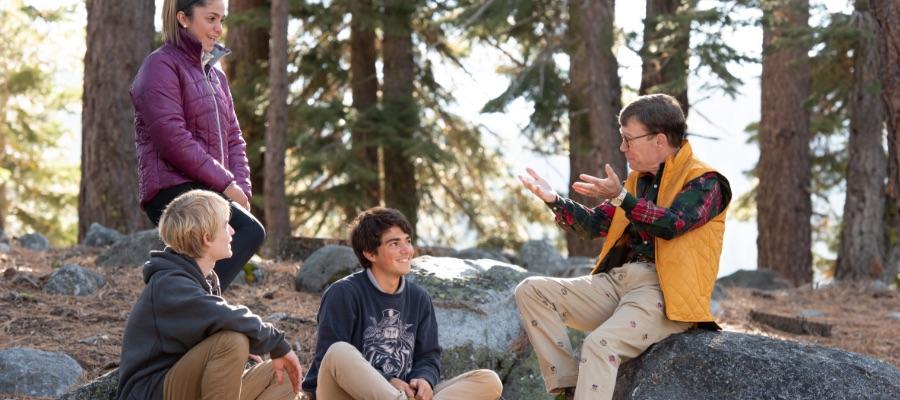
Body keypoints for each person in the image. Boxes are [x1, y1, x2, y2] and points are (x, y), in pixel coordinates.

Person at [515, 94, 731, 400]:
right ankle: (568, 389)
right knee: (531, 290)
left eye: (628, 139)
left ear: (658, 140)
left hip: (664, 294)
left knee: (599, 344)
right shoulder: (635, 183)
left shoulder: (706, 181)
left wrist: (622, 198)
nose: (622, 147)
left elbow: (672, 224)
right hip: (618, 283)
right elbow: (594, 225)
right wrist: (555, 201)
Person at [116, 190, 302, 400]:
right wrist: (276, 343)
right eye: (225, 225)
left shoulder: (202, 280)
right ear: (206, 238)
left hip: (181, 386)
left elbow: (205, 325)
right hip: (153, 393)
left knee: (284, 372)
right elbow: (226, 317)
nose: (232, 231)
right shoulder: (169, 283)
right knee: (232, 341)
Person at [301, 207, 504, 400]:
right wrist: (387, 381)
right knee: (338, 351)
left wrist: (424, 379)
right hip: (347, 395)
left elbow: (429, 356)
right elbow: (330, 362)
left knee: (487, 381)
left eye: (408, 241)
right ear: (370, 253)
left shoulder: (419, 298)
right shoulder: (343, 293)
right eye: (394, 244)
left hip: (401, 395)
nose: (407, 250)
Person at [131, 0, 263, 291]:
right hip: (172, 189)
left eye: (222, 20)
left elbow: (234, 139)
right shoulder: (160, 65)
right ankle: (197, 306)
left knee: (228, 239)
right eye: (211, 19)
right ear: (184, 19)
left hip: (209, 189)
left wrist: (241, 188)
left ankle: (180, 309)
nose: (218, 29)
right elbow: (172, 139)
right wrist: (227, 184)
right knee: (249, 230)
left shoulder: (216, 76)